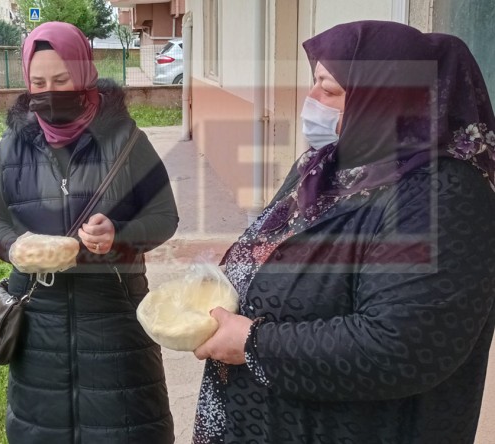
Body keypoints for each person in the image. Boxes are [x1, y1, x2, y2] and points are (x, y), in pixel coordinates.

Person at [192, 20, 495, 443]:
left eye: (329, 90)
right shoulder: (322, 166)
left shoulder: (442, 194)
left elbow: (402, 346)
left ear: (385, 96)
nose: (311, 101)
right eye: (313, 82)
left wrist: (253, 344)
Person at [0, 21, 178, 443]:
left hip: (115, 319)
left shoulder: (125, 139)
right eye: (38, 83)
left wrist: (118, 234)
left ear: (84, 73)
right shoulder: (13, 146)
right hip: (38, 325)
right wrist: (14, 247)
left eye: (61, 80)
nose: (49, 92)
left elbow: (164, 216)